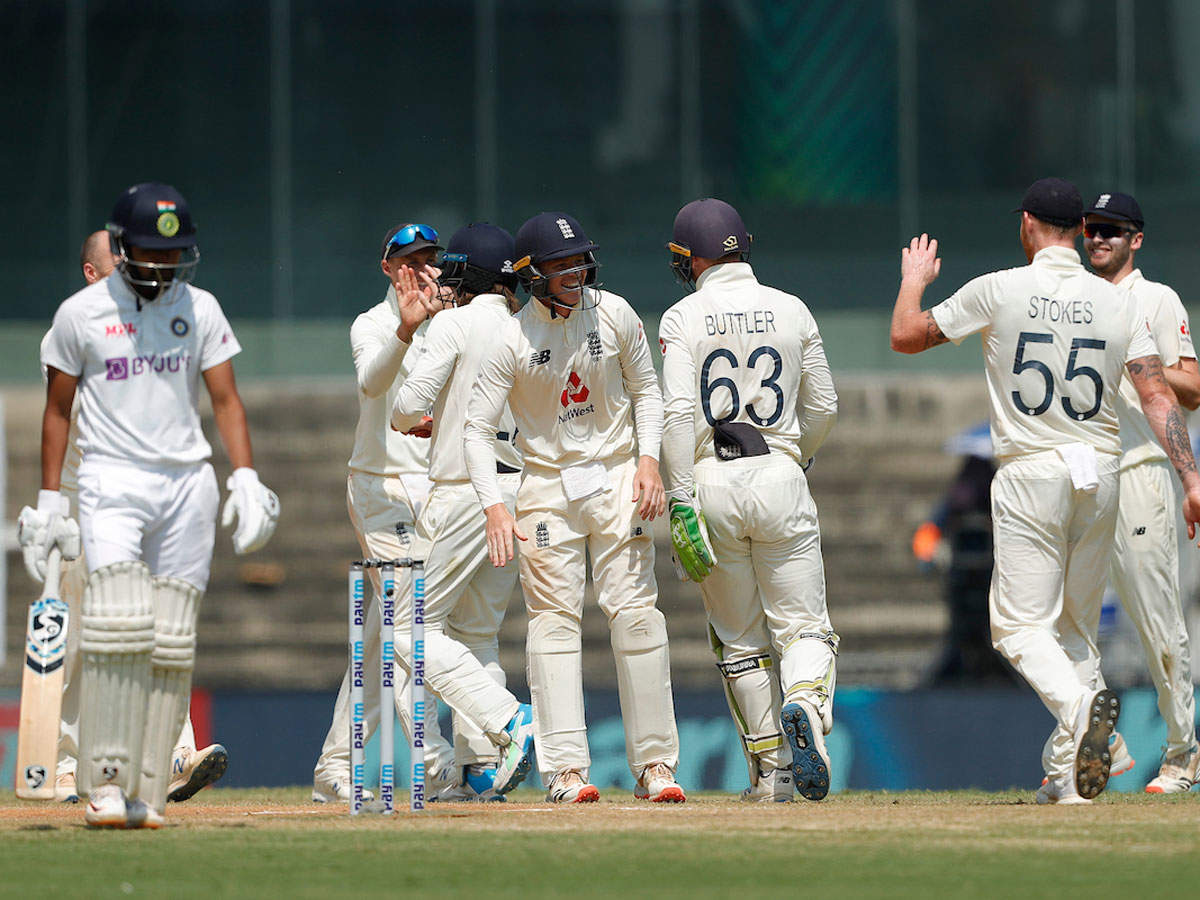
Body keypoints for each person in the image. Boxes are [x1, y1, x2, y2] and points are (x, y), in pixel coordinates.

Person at [889, 177, 1200, 805]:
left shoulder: (1001, 287)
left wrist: (915, 279)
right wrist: (1192, 477)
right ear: (1077, 232)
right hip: (1104, 472)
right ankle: (1068, 780)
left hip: (1034, 470)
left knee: (1015, 627)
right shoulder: (1118, 305)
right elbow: (1157, 394)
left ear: (1030, 225)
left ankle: (1092, 719)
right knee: (1075, 631)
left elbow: (905, 334)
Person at [22, 182, 279, 828]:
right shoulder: (81, 313)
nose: (163, 266)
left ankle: (150, 785)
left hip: (185, 481)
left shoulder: (202, 308)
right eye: (150, 253)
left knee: (169, 635)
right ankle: (103, 784)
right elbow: (56, 412)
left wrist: (245, 476)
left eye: (174, 254)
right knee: (117, 624)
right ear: (121, 247)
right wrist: (50, 501)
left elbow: (226, 400)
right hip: (109, 480)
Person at [463, 211, 684, 803]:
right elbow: (475, 430)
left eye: (580, 259)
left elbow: (647, 390)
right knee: (554, 626)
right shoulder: (510, 337)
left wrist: (648, 462)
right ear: (531, 274)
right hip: (545, 488)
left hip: (616, 477)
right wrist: (494, 507)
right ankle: (564, 771)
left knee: (637, 614)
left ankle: (656, 766)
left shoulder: (615, 314)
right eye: (561, 264)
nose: (576, 271)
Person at [658, 198, 839, 802]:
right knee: (803, 626)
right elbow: (825, 407)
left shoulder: (682, 317)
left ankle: (773, 772)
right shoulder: (793, 309)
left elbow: (680, 414)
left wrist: (680, 500)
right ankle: (807, 702)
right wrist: (796, 455)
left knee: (739, 639)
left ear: (691, 257)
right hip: (779, 473)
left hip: (711, 478)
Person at [40, 231, 230, 805]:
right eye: (118, 263)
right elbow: (58, 414)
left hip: (142, 498)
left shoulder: (154, 320)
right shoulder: (73, 325)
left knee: (157, 625)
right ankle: (67, 763)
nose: (133, 271)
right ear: (93, 273)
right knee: (84, 635)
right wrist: (53, 504)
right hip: (86, 499)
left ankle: (171, 754)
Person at [310, 223, 458, 803]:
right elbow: (373, 385)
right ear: (388, 268)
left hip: (434, 490)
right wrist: (407, 325)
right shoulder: (372, 325)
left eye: (429, 259)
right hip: (379, 488)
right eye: (408, 260)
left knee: (382, 638)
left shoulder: (450, 324)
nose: (421, 269)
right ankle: (435, 758)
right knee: (411, 622)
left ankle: (334, 767)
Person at [389, 223, 535, 800]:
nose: (445, 287)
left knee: (407, 632)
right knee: (476, 634)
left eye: (453, 275)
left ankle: (507, 723)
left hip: (462, 494)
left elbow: (404, 409)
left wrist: (421, 419)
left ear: (470, 277)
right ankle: (481, 774)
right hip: (516, 495)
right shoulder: (529, 328)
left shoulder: (452, 323)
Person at [1083, 191, 1200, 793]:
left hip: (1137, 470)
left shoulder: (1155, 299)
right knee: (1051, 616)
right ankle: (1094, 742)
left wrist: (1145, 360)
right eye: (1092, 228)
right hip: (1077, 472)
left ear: (1137, 239)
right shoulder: (1072, 298)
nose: (1099, 238)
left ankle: (1182, 754)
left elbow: (1194, 388)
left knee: (1157, 621)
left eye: (1113, 230)